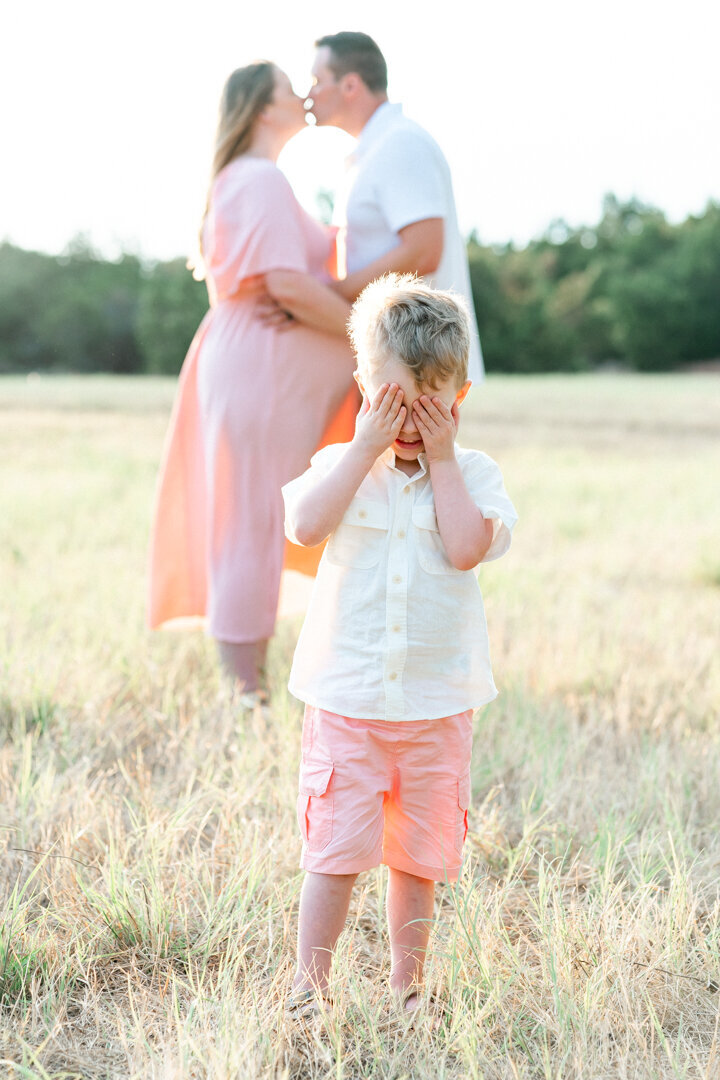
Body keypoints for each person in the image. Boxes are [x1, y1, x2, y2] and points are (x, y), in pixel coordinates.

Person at [281, 275, 516, 1017]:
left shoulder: (473, 474)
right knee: (335, 854)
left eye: (430, 403)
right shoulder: (342, 468)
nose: (410, 420)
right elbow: (304, 528)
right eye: (392, 399)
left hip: (434, 707)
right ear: (363, 387)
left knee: (416, 859)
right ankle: (307, 988)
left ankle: (406, 986)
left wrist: (443, 462)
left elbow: (467, 547)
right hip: (348, 701)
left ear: (461, 398)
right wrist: (362, 446)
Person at [147, 62, 358, 699]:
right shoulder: (259, 178)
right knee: (253, 518)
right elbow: (286, 285)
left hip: (254, 362)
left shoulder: (251, 179)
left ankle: (247, 684)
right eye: (288, 87)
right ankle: (244, 691)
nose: (301, 93)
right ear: (263, 108)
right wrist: (376, 337)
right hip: (259, 365)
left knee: (254, 515)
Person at [308, 31, 485, 384]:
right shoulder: (372, 152)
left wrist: (330, 295)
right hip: (398, 363)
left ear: (350, 85)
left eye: (316, 81)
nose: (308, 94)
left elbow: (423, 252)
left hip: (422, 370)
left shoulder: (400, 144)